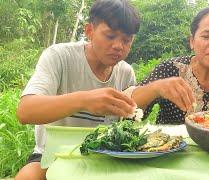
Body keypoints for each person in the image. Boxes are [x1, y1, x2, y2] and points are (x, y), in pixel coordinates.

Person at [15, 0, 140, 179]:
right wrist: (85, 100)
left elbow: (127, 126)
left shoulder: (126, 72)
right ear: (89, 31)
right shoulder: (59, 56)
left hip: (105, 156)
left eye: (126, 40)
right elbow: (25, 111)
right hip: (53, 155)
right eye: (110, 36)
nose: (118, 46)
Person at [129, 7, 209, 124]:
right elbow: (130, 111)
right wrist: (155, 88)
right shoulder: (170, 69)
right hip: (170, 144)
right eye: (206, 36)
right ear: (192, 41)